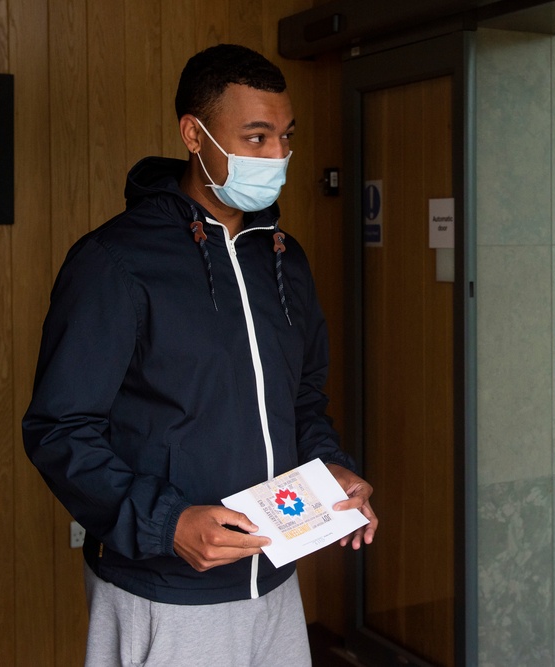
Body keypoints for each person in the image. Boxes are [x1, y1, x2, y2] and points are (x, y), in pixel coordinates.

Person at [22, 44, 378, 666]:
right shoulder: (115, 262)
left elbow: (302, 400)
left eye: (286, 137)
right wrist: (168, 525)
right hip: (167, 593)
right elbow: (60, 430)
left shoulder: (284, 260)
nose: (278, 157)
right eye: (257, 136)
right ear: (194, 133)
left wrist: (331, 470)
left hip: (274, 575)